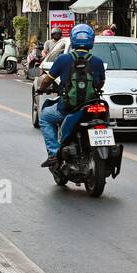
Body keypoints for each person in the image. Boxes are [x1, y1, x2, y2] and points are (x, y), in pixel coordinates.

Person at [34, 23, 106, 168]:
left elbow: (48, 80)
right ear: (91, 41)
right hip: (92, 107)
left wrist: (41, 89)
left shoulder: (63, 59)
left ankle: (54, 154)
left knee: (45, 118)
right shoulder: (97, 61)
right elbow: (101, 83)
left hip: (67, 108)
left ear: (73, 40)